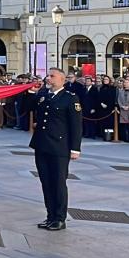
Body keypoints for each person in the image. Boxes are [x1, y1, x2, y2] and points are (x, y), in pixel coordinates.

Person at [30, 67, 82, 231]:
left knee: (58, 183)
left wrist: (75, 148)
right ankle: (50, 215)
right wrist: (31, 93)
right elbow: (30, 109)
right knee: (45, 182)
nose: (48, 78)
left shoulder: (70, 98)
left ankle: (59, 218)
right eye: (48, 75)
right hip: (42, 144)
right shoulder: (43, 95)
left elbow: (76, 125)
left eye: (52, 76)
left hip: (59, 146)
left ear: (62, 79)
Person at [98, 75, 117, 140]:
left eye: (107, 79)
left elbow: (113, 98)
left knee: (110, 123)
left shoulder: (112, 88)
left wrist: (108, 105)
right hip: (102, 108)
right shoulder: (101, 88)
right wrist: (101, 103)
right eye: (104, 79)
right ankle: (104, 135)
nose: (105, 80)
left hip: (110, 108)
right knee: (103, 123)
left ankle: (110, 136)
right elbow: (99, 97)